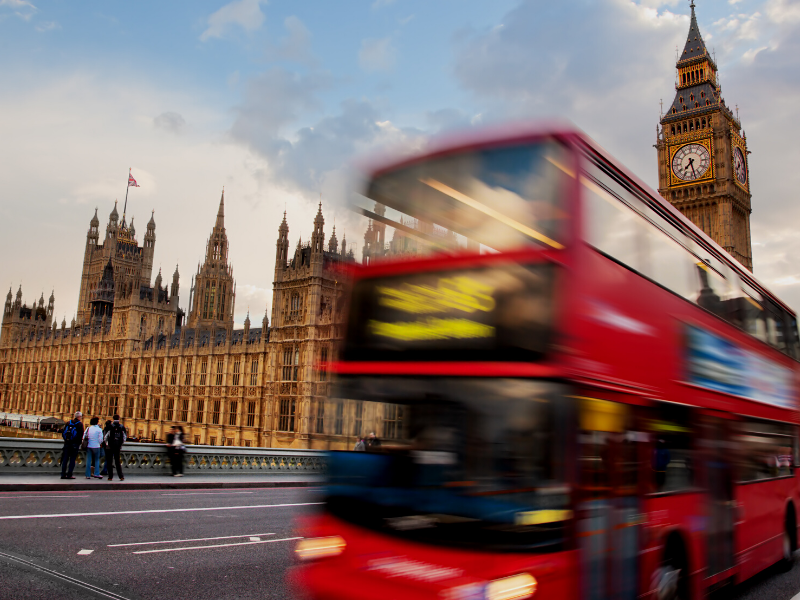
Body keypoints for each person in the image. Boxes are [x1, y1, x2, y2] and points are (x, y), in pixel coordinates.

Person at [60, 411, 84, 480]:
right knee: (72, 460)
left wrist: (66, 440)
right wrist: (79, 444)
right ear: (79, 417)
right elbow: (80, 435)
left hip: (67, 444)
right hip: (74, 445)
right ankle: (69, 474)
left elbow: (63, 433)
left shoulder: (68, 422)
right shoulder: (80, 424)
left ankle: (63, 474)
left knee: (65, 459)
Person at [104, 414, 127, 481]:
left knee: (109, 462)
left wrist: (107, 444)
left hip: (110, 446)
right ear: (119, 419)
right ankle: (121, 476)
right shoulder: (122, 427)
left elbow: (105, 437)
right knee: (117, 461)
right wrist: (120, 444)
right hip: (117, 446)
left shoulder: (109, 426)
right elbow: (124, 437)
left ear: (113, 418)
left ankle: (110, 477)